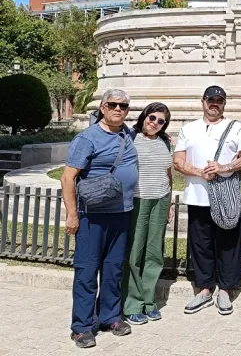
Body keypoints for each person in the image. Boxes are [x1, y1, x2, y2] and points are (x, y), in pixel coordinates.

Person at [61, 89, 138, 349]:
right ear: (103, 108)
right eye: (113, 105)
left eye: (123, 106)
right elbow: (67, 177)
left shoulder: (128, 134)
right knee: (86, 269)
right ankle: (81, 326)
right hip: (92, 215)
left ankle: (110, 317)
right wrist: (72, 215)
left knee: (113, 268)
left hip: (121, 213)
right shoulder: (87, 138)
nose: (118, 109)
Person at [174, 86, 241, 316]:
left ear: (224, 103)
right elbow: (178, 161)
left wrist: (225, 167)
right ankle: (205, 288)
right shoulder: (189, 128)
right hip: (197, 196)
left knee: (228, 243)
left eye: (220, 100)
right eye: (211, 100)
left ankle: (226, 290)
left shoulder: (235, 127)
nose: (215, 104)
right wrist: (201, 172)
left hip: (226, 196)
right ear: (203, 102)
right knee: (201, 244)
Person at [122, 103, 174, 325]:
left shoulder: (165, 142)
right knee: (135, 251)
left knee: (154, 253)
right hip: (137, 200)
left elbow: (168, 173)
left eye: (161, 121)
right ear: (144, 117)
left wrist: (170, 202)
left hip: (160, 199)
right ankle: (132, 303)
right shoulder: (130, 138)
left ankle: (149, 301)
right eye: (152, 117)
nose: (154, 123)